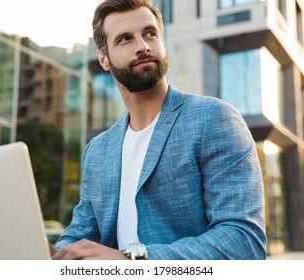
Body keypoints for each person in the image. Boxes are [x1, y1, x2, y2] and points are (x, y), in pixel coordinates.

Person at [52, 0, 267, 260]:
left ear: (163, 44)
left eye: (150, 34)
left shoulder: (214, 119)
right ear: (104, 60)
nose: (142, 46)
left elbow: (244, 241)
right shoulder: (97, 151)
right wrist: (53, 254)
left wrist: (134, 261)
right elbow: (80, 234)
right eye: (124, 39)